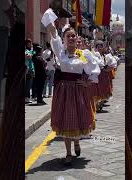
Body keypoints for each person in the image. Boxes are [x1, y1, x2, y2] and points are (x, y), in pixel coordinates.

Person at [42, 8, 100, 165]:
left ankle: (77, 142)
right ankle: (68, 152)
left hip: (78, 90)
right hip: (64, 91)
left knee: (79, 118)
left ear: (77, 38)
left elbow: (94, 70)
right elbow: (53, 33)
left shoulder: (84, 54)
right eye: (68, 36)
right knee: (66, 120)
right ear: (65, 39)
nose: (72, 38)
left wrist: (87, 82)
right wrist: (50, 15)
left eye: (74, 35)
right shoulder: (60, 52)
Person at [25, 39, 35, 103]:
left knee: (30, 84)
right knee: (28, 85)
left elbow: (34, 53)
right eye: (29, 43)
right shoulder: (26, 51)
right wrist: (31, 54)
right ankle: (27, 97)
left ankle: (28, 97)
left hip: (31, 69)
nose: (30, 44)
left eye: (31, 43)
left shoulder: (31, 50)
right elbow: (29, 56)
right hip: (28, 69)